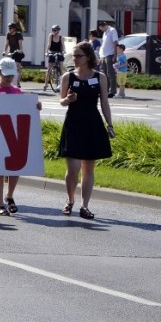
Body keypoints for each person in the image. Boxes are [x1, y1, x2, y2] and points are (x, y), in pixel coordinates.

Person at [58, 41, 113, 220]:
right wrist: (68, 99)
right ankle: (70, 199)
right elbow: (61, 101)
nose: (75, 59)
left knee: (88, 167)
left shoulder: (100, 77)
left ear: (88, 57)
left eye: (78, 56)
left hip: (92, 124)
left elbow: (104, 102)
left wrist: (109, 124)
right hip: (73, 123)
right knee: (73, 168)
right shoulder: (68, 77)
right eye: (73, 56)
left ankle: (85, 206)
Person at [0, 57, 41, 216]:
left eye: (11, 75)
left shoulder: (17, 91)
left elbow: (24, 112)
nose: (9, 78)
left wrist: (35, 107)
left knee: (15, 167)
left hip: (14, 133)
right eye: (6, 75)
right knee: (0, 169)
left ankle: (10, 196)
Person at [98, 21, 119, 97]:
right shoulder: (105, 33)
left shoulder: (112, 30)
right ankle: (105, 90)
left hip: (110, 54)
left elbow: (115, 43)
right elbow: (103, 44)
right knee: (104, 74)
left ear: (103, 26)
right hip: (104, 55)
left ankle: (112, 91)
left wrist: (115, 55)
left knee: (111, 73)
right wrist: (100, 56)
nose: (101, 30)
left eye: (101, 28)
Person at [44, 25, 64, 90]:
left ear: (58, 31)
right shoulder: (50, 36)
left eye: (55, 30)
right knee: (49, 69)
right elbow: (49, 44)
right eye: (53, 30)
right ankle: (46, 84)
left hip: (59, 52)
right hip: (52, 52)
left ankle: (63, 83)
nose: (54, 32)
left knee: (61, 68)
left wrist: (63, 51)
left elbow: (63, 46)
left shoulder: (61, 37)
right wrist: (46, 52)